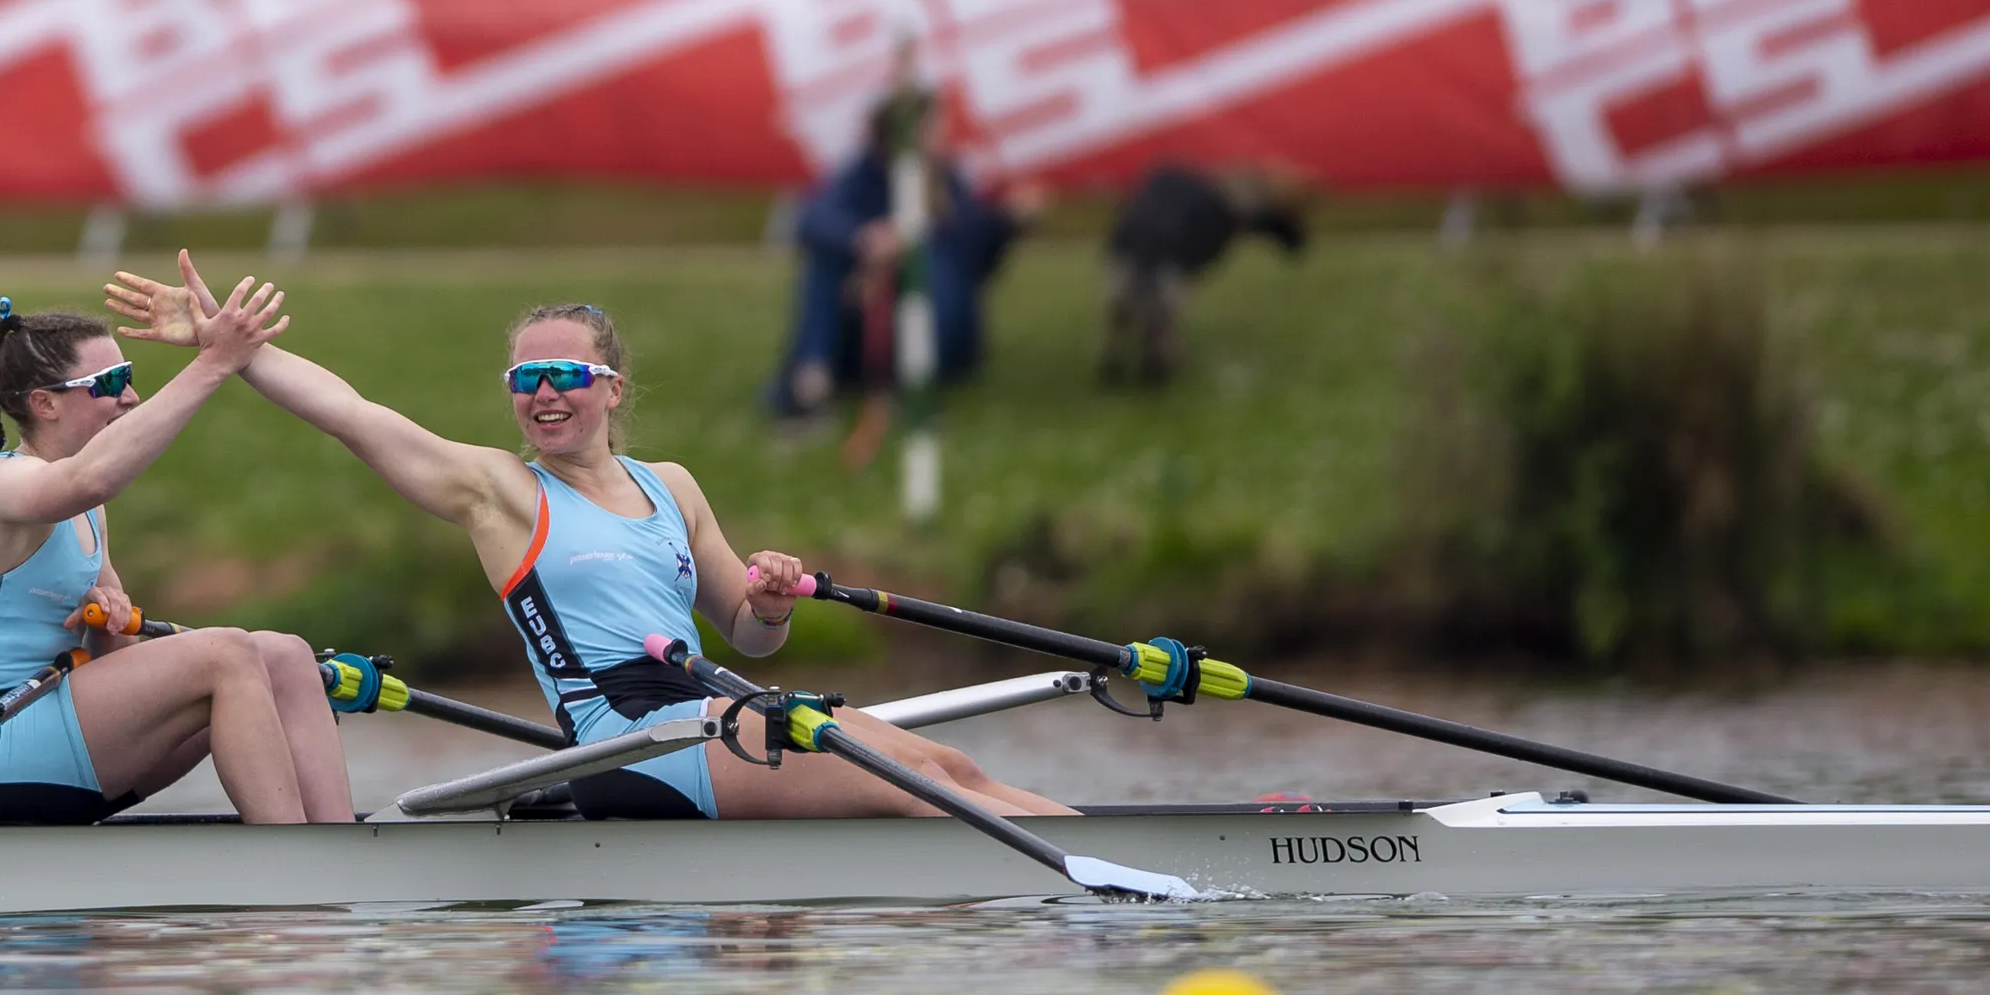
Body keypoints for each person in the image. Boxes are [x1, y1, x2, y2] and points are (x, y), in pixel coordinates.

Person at [106, 254, 1074, 824]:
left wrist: (770, 601)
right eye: (525, 382)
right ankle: (1113, 879)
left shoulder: (673, 488)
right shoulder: (497, 493)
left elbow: (750, 632)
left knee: (949, 768)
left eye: (566, 376)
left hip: (716, 708)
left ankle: (1093, 837)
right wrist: (230, 351)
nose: (545, 395)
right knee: (911, 781)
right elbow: (354, 416)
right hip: (623, 749)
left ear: (611, 389)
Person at [0, 288, 354, 826]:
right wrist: (214, 363)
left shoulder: (87, 510)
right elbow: (93, 477)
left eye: (127, 376)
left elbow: (118, 660)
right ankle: (290, 869)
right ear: (45, 404)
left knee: (284, 656)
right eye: (109, 384)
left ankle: (335, 844)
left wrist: (110, 623)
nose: (130, 397)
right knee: (226, 653)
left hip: (56, 734)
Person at [764, 92, 1036, 421]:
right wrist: (867, 240)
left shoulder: (948, 181)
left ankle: (893, 381)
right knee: (828, 262)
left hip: (940, 332)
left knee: (929, 262)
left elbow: (976, 259)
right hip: (863, 324)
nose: (943, 136)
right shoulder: (864, 173)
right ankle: (811, 380)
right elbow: (814, 218)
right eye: (934, 127)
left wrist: (1009, 222)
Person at [1100, 163, 1307, 386]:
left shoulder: (1174, 187)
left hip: (1135, 246)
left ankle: (1123, 357)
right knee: (1155, 311)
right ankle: (1149, 360)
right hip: (1163, 251)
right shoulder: (1218, 204)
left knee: (1129, 306)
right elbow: (1268, 223)